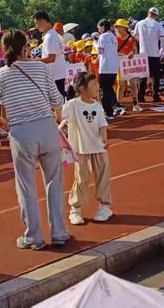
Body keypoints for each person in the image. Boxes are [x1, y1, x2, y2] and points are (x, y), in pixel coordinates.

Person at [0, 29, 69, 250]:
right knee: (55, 182)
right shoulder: (41, 68)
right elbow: (57, 100)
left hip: (21, 132)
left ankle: (34, 237)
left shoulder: (2, 74)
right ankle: (59, 232)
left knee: (26, 186)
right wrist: (57, 119)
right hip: (47, 129)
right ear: (25, 47)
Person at [63, 72, 113, 225]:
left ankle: (105, 207)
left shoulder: (97, 106)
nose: (97, 87)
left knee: (102, 175)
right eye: (93, 84)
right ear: (83, 88)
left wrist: (104, 139)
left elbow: (102, 125)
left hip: (98, 147)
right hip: (80, 148)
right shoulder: (72, 105)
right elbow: (61, 118)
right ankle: (76, 209)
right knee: (81, 178)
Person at [134, 7, 164, 103]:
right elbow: (163, 41)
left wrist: (142, 43)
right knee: (155, 76)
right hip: (154, 53)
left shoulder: (139, 23)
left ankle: (141, 96)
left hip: (143, 52)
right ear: (156, 15)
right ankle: (155, 95)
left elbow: (135, 36)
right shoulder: (157, 25)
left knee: (143, 76)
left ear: (148, 12)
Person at [33, 11, 68, 97]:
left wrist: (35, 61)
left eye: (36, 23)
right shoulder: (51, 34)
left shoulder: (50, 36)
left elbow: (51, 58)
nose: (36, 26)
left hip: (54, 76)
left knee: (57, 104)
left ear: (42, 21)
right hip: (56, 74)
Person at [114, 18, 142, 113]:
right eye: (116, 27)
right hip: (120, 64)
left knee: (133, 85)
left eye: (119, 27)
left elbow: (135, 50)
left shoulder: (132, 39)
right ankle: (119, 105)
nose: (117, 28)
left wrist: (132, 53)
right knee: (121, 86)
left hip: (129, 65)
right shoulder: (115, 39)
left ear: (124, 27)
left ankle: (135, 104)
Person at [96, 19, 119, 119]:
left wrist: (95, 44)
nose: (99, 30)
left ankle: (108, 112)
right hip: (113, 67)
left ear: (103, 26)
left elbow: (100, 51)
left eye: (99, 27)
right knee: (109, 88)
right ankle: (114, 106)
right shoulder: (114, 37)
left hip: (105, 67)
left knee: (104, 90)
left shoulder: (102, 37)